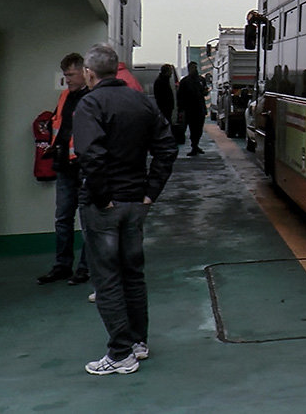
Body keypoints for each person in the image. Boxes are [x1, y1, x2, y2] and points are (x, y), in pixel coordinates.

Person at [73, 44, 176, 376]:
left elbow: (91, 155)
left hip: (106, 206)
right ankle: (137, 343)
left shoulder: (90, 104)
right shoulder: (143, 102)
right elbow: (167, 148)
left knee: (107, 279)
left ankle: (119, 354)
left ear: (90, 73)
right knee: (133, 274)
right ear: (117, 69)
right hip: (136, 203)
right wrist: (150, 192)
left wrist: (102, 197)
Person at [36, 53, 90, 286]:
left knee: (88, 220)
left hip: (85, 167)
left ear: (84, 72)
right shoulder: (65, 97)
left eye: (70, 74)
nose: (66, 79)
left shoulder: (93, 97)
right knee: (63, 218)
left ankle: (85, 268)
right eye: (65, 75)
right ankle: (62, 266)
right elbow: (60, 127)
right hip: (65, 166)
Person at [176, 61, 208, 156]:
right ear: (189, 69)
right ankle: (194, 146)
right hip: (190, 109)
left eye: (196, 67)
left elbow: (204, 92)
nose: (195, 70)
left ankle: (196, 145)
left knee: (199, 129)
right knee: (192, 128)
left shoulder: (201, 80)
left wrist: (205, 92)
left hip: (200, 108)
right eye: (193, 68)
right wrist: (181, 109)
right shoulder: (185, 81)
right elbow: (180, 96)